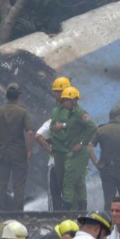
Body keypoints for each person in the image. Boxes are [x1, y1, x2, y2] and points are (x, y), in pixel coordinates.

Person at [0, 83, 34, 211]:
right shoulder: (23, 112)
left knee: (1, 184)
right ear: (18, 97)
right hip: (19, 153)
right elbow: (29, 132)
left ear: (6, 96)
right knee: (18, 185)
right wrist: (29, 151)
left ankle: (2, 211)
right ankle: (18, 213)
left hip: (1, 154)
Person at [57, 87, 97, 211]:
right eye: (63, 101)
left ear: (74, 100)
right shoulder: (71, 114)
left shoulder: (80, 113)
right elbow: (73, 126)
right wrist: (63, 126)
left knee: (68, 180)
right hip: (74, 152)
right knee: (79, 181)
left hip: (79, 153)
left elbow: (92, 126)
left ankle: (67, 208)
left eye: (66, 100)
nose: (64, 103)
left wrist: (81, 143)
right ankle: (82, 207)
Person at [44, 76, 72, 210]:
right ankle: (57, 216)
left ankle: (70, 216)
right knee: (54, 189)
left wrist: (64, 125)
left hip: (69, 156)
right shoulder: (56, 110)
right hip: (57, 156)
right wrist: (50, 138)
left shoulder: (73, 109)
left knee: (69, 191)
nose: (55, 94)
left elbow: (83, 125)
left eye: (57, 91)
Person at [35, 118, 61, 211]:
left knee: (54, 193)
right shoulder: (75, 119)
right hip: (71, 163)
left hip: (54, 163)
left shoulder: (51, 121)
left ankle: (57, 216)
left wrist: (49, 150)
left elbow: (38, 136)